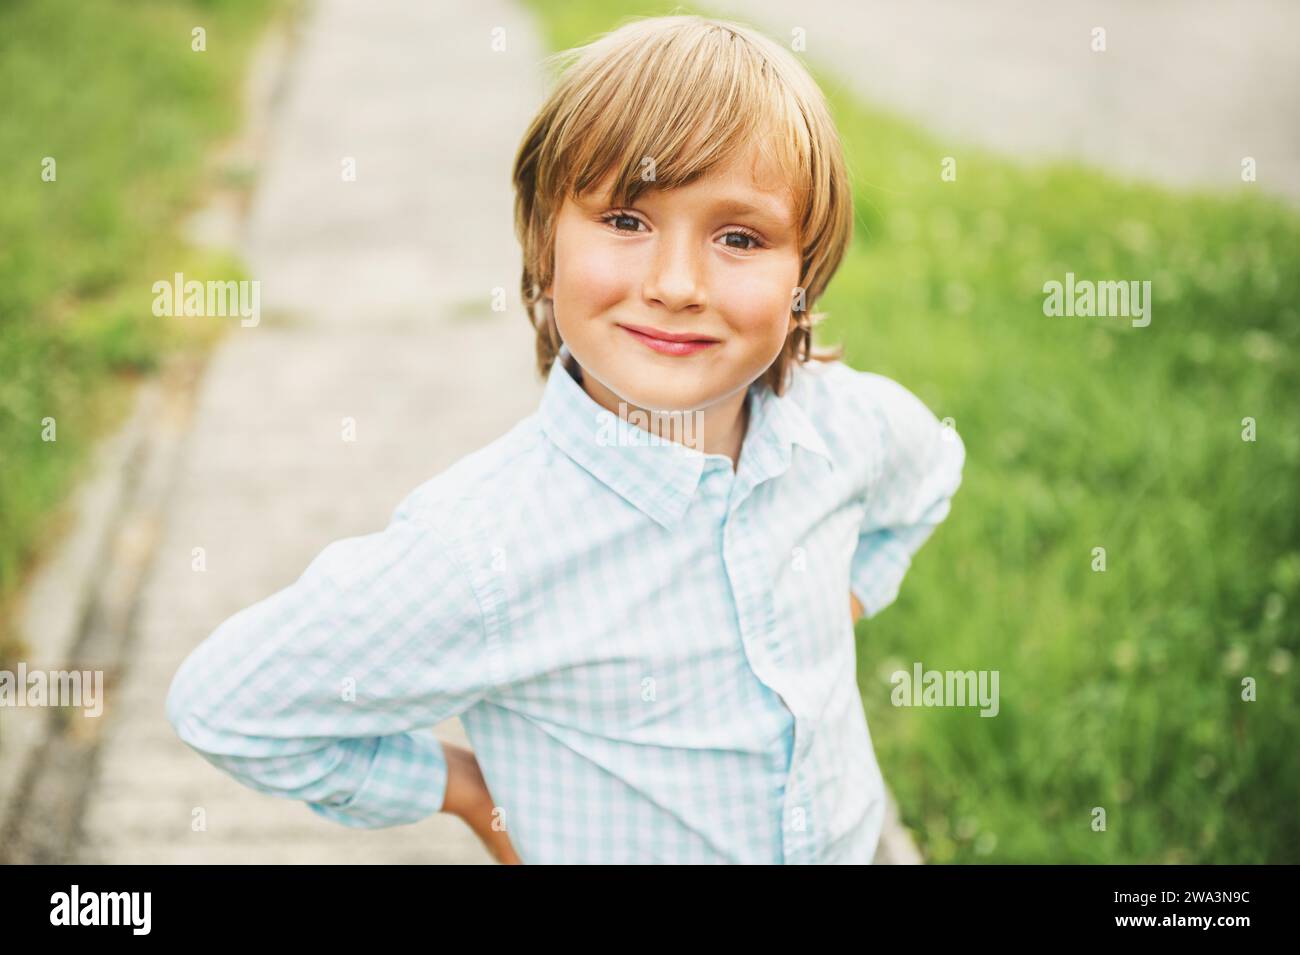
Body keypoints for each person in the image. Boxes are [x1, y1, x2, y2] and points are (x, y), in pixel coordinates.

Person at [165, 13, 965, 865]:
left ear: (803, 279)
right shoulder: (485, 548)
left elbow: (928, 476)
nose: (676, 284)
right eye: (626, 220)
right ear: (545, 246)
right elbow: (228, 702)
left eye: (740, 237)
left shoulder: (845, 428)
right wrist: (470, 793)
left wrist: (837, 606)